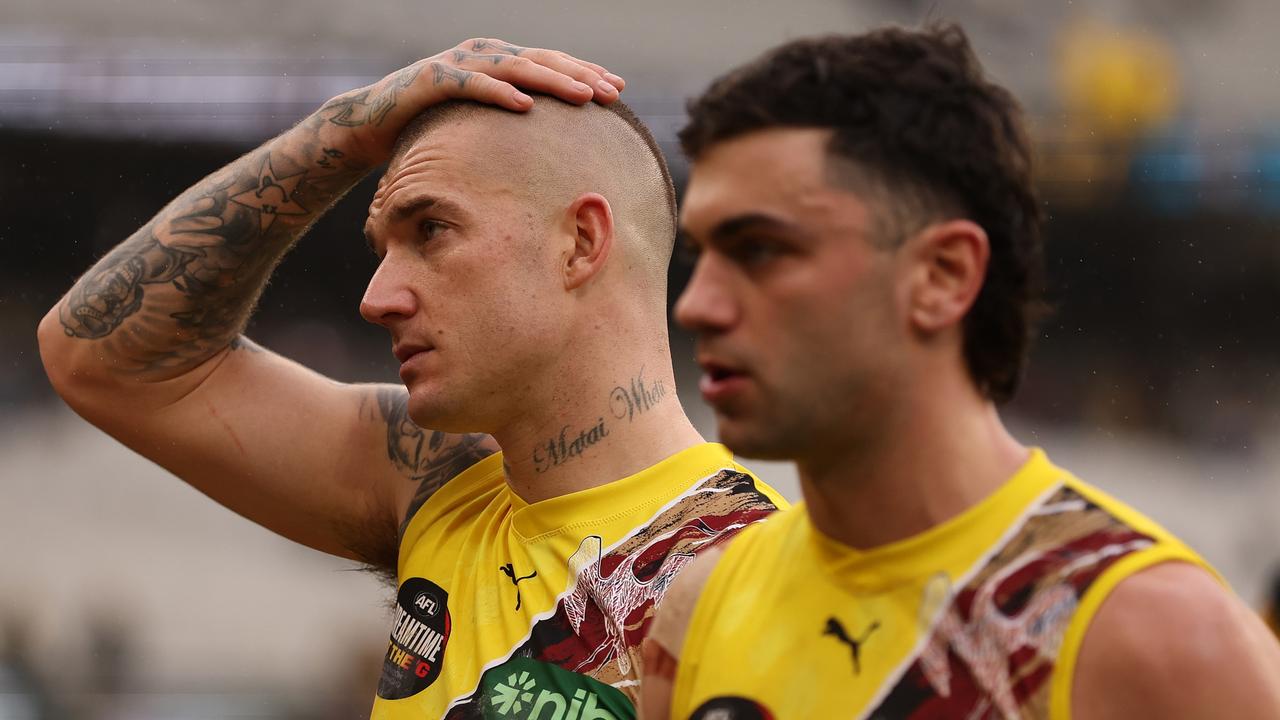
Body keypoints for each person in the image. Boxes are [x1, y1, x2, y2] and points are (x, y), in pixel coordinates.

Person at [36, 38, 785, 719]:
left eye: (431, 230)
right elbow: (102, 357)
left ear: (581, 242)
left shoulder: (755, 578)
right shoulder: (438, 475)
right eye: (381, 247)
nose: (376, 298)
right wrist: (343, 131)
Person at [640, 24, 1280, 719]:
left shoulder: (1158, 639)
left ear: (943, 276)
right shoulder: (699, 604)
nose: (698, 304)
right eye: (699, 255)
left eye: (760, 250)